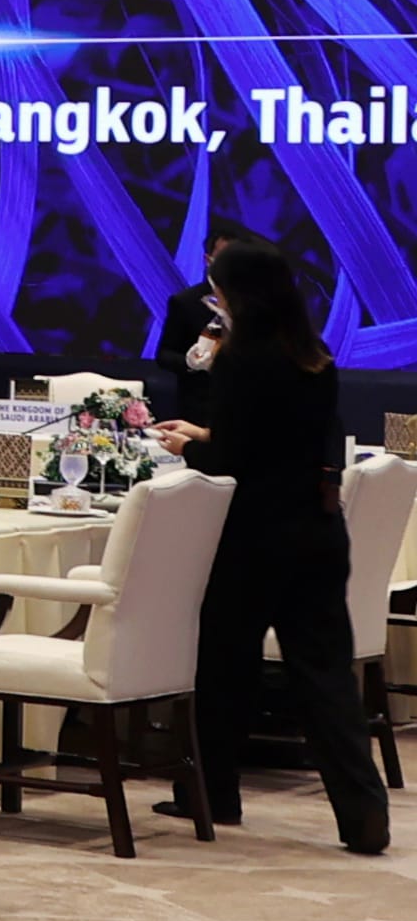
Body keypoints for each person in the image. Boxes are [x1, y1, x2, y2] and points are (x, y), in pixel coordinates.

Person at [151, 238, 390, 854]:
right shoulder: (316, 358)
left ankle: (213, 793)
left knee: (226, 662)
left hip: (254, 535)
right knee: (326, 675)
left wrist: (190, 445)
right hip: (316, 530)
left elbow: (232, 457)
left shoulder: (240, 359)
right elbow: (283, 440)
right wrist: (209, 432)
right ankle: (364, 815)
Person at [153, 219, 252, 428]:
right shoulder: (186, 302)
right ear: (208, 260)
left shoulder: (257, 301)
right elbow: (165, 354)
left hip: (250, 407)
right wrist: (191, 363)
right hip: (202, 409)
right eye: (226, 258)